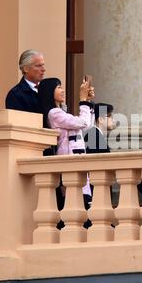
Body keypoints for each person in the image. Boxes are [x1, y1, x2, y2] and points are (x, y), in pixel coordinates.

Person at [38, 77, 95, 229]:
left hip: (77, 160)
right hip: (69, 162)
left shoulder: (62, 112)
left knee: (84, 201)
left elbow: (88, 126)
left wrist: (88, 102)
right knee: (75, 203)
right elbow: (82, 122)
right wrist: (82, 100)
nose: (62, 90)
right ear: (49, 92)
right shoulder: (54, 113)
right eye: (58, 87)